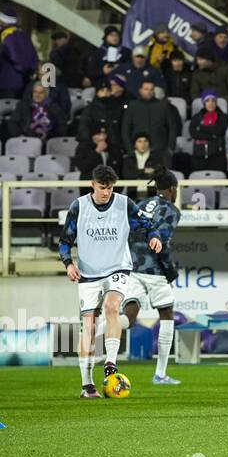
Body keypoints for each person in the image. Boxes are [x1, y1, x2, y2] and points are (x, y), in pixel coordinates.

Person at [60, 165, 163, 398]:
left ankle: (110, 363)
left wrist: (154, 237)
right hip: (88, 274)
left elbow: (146, 225)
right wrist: (68, 263)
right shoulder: (79, 207)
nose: (106, 192)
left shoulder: (124, 204)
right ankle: (87, 385)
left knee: (112, 306)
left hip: (118, 268)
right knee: (89, 326)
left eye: (110, 187)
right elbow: (65, 240)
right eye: (102, 187)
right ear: (92, 185)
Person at [119, 172, 183, 385]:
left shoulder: (141, 203)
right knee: (166, 313)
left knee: (128, 316)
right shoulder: (171, 210)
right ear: (172, 188)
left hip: (132, 265)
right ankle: (160, 374)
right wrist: (170, 271)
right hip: (153, 269)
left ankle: (98, 328)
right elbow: (160, 242)